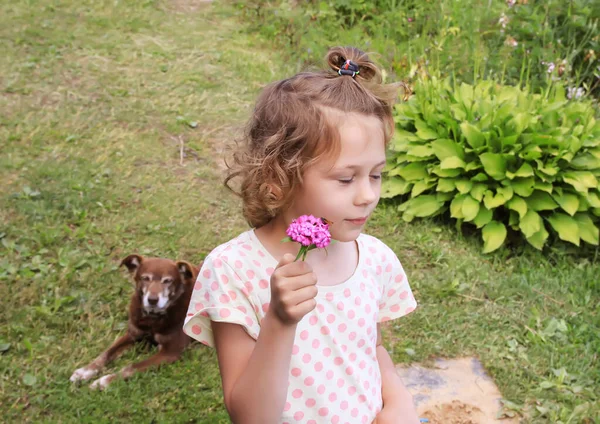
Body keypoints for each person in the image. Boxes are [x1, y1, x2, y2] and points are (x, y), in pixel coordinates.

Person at [183, 46, 419, 424]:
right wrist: (279, 319)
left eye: (376, 174)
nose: (368, 195)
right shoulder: (233, 271)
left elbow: (370, 349)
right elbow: (249, 416)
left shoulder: (374, 259)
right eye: (346, 178)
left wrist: (399, 402)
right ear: (280, 177)